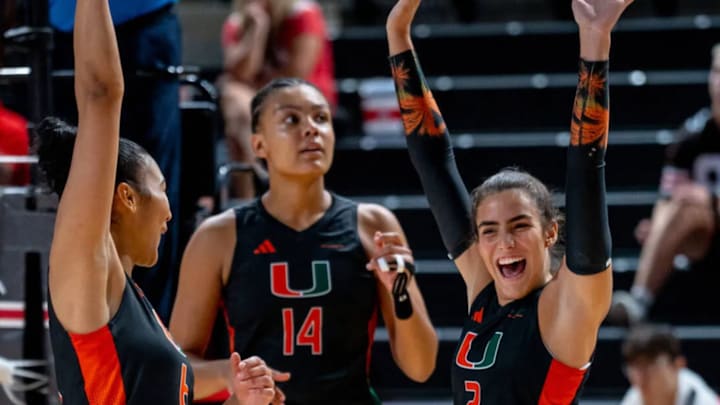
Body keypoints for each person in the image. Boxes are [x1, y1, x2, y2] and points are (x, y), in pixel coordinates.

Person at [386, 0, 632, 403]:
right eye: (489, 231)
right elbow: (434, 165)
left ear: (550, 232)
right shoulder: (485, 289)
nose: (504, 243)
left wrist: (595, 41)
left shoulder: (567, 307)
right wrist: (398, 33)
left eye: (519, 226)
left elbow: (586, 174)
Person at [37, 1, 276, 403]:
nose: (170, 210)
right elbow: (101, 94)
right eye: (162, 187)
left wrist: (241, 398)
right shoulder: (88, 270)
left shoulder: (137, 305)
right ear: (127, 197)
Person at [169, 77, 438, 404]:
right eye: (291, 120)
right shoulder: (218, 236)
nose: (311, 129)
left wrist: (402, 288)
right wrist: (232, 374)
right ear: (258, 145)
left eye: (321, 118)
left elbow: (421, 368)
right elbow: (178, 374)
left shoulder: (373, 225)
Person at [49, 0, 184, 323]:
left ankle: (156, 332)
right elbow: (100, 94)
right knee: (83, 196)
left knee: (146, 193)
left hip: (142, 22)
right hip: (60, 29)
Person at [608, 43, 720, 325]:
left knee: (692, 201)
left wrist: (709, 199)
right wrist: (660, 229)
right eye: (717, 72)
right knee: (676, 209)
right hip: (705, 237)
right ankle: (639, 301)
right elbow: (669, 197)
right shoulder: (691, 135)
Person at [219, 0, 337, 201]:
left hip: (303, 96)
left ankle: (256, 186)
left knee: (240, 106)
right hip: (254, 102)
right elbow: (242, 73)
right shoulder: (239, 21)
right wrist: (258, 29)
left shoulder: (303, 14)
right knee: (234, 100)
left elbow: (295, 78)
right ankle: (249, 191)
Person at [621, 323, 719, 405]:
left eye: (651, 367)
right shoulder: (633, 398)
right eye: (635, 368)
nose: (641, 378)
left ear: (678, 365)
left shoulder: (702, 400)